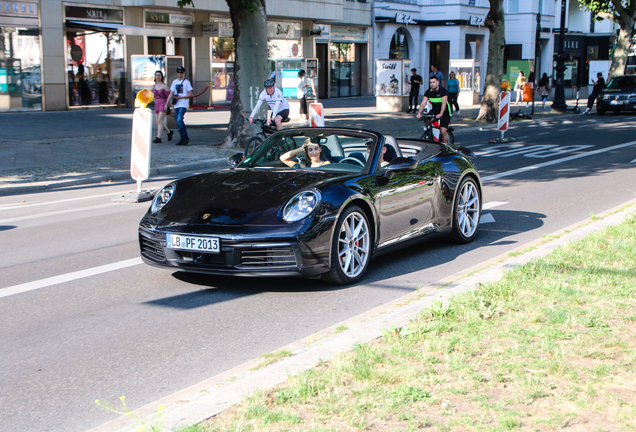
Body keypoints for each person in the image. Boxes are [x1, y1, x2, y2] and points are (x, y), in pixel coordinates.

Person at [416, 75, 452, 144]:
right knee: (427, 119)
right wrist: (419, 113)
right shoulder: (428, 92)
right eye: (430, 82)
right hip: (435, 110)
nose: (432, 84)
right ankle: (430, 134)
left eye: (434, 82)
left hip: (445, 112)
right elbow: (423, 103)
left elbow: (444, 104)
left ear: (438, 82)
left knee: (443, 130)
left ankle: (446, 147)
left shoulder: (443, 91)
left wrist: (441, 114)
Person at [166, 66, 194, 146]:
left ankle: (185, 137)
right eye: (178, 72)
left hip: (183, 104)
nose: (180, 73)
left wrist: (181, 97)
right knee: (178, 123)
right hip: (176, 105)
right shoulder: (174, 82)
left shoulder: (186, 82)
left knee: (179, 120)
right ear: (176, 73)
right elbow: (171, 93)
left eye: (181, 72)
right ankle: (182, 138)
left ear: (184, 73)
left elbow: (190, 94)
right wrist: (168, 104)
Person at [151, 70, 173, 143]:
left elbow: (169, 97)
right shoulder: (153, 87)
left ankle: (158, 137)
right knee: (158, 121)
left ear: (162, 76)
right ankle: (169, 132)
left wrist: (171, 106)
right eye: (156, 75)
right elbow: (151, 96)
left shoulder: (165, 86)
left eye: (159, 75)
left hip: (163, 103)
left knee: (160, 120)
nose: (158, 77)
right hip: (156, 103)